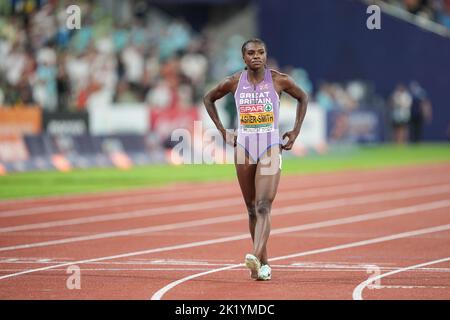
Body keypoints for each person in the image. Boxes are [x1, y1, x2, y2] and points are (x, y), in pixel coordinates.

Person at [203, 38, 308, 280]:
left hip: (270, 144)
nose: (256, 56)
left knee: (263, 205)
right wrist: (222, 130)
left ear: (266, 55)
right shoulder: (233, 82)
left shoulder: (278, 79)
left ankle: (254, 254)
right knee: (251, 209)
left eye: (261, 52)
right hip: (244, 146)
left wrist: (295, 131)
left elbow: (303, 97)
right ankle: (263, 265)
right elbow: (209, 98)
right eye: (251, 53)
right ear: (244, 58)